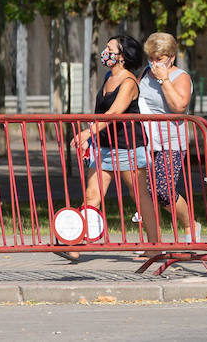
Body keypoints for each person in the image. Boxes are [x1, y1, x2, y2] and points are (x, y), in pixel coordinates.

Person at [67, 34, 149, 259]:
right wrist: (92, 138)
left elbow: (114, 113)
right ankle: (76, 244)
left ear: (123, 56)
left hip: (127, 147)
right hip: (103, 146)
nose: (105, 52)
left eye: (110, 49)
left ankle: (155, 243)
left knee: (139, 196)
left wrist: (87, 132)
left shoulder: (129, 82)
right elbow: (101, 112)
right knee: (92, 194)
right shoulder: (108, 77)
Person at [136, 32, 204, 245]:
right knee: (144, 192)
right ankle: (152, 242)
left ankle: (190, 224)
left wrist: (164, 79)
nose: (154, 63)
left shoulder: (180, 77)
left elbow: (179, 107)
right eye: (151, 58)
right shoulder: (144, 73)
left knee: (163, 190)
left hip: (170, 142)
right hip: (145, 141)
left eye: (159, 59)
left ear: (172, 57)